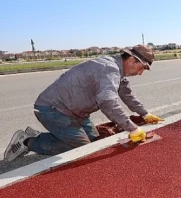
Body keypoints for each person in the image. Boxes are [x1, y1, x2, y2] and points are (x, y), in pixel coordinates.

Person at [4, 45, 164, 162]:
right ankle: (28, 141)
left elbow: (127, 95)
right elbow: (107, 102)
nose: (141, 73)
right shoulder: (110, 70)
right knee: (83, 150)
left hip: (76, 112)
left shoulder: (118, 71)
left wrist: (145, 114)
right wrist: (133, 128)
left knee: (96, 143)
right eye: (141, 67)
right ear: (130, 59)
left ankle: (44, 137)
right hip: (53, 109)